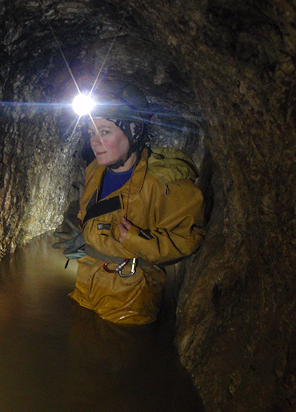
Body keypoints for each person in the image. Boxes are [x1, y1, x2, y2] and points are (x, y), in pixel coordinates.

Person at [55, 82, 206, 325]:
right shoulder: (94, 170)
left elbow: (188, 239)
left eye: (105, 132)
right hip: (86, 286)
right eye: (92, 133)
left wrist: (137, 240)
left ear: (134, 131)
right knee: (81, 347)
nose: (95, 142)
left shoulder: (164, 182)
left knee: (119, 353)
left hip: (130, 297)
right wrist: (89, 237)